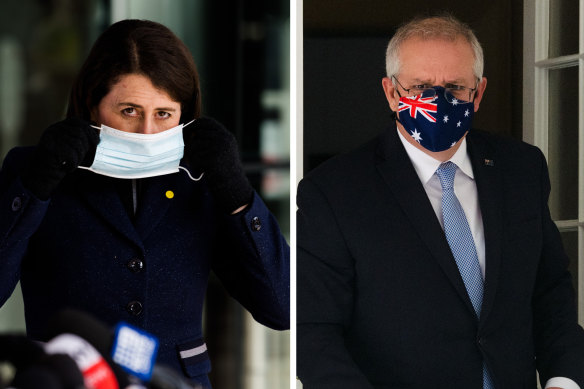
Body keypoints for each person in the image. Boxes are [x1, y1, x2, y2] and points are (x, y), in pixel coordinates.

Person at [297, 14, 584, 389]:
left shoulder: (521, 168)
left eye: (454, 87)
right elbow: (314, 331)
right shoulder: (334, 190)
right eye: (420, 87)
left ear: (477, 93)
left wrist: (563, 381)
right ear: (391, 92)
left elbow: (549, 290)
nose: (437, 100)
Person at [0, 19, 289, 387]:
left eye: (163, 114)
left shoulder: (201, 180)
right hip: (69, 379)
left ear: (183, 113)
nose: (148, 132)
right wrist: (35, 187)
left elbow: (282, 308)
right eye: (129, 111)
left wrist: (238, 197)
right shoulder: (34, 168)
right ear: (93, 105)